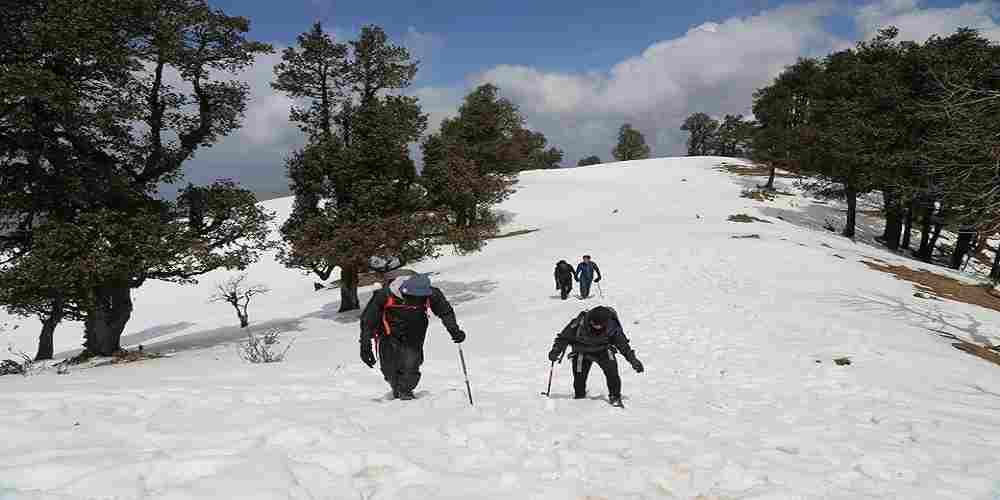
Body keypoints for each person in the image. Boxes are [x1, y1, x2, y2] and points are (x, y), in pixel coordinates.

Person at [360, 274, 466, 400]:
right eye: (412, 297)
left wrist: (454, 330)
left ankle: (406, 392)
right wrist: (365, 346)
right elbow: (368, 321)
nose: (416, 301)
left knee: (411, 365)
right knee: (389, 369)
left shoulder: (431, 294)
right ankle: (396, 388)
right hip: (389, 333)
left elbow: (445, 312)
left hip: (415, 331)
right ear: (404, 291)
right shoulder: (385, 295)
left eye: (419, 298)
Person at [547, 306, 643, 406]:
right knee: (579, 378)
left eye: (600, 325)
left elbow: (623, 346)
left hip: (603, 350)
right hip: (581, 350)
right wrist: (556, 350)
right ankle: (580, 396)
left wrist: (633, 360)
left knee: (612, 372)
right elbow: (564, 337)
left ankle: (615, 396)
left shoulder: (612, 327)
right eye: (594, 323)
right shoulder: (579, 322)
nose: (597, 326)